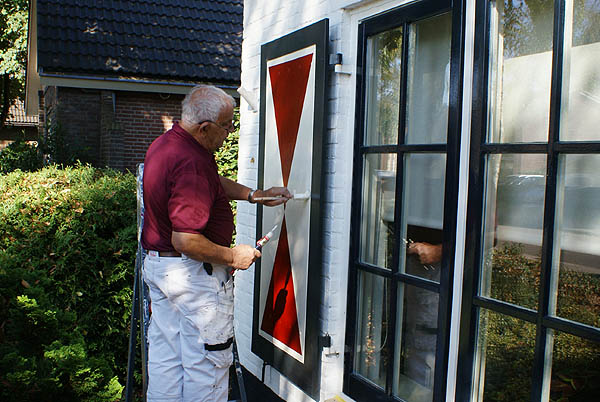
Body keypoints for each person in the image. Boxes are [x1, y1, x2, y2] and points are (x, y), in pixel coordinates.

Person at [141, 84, 291, 402]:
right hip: (195, 280)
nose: (229, 132)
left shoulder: (167, 145)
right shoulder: (192, 162)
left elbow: (211, 182)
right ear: (205, 127)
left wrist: (253, 195)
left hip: (163, 271)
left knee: (167, 365)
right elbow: (186, 239)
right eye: (227, 126)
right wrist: (232, 256)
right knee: (207, 370)